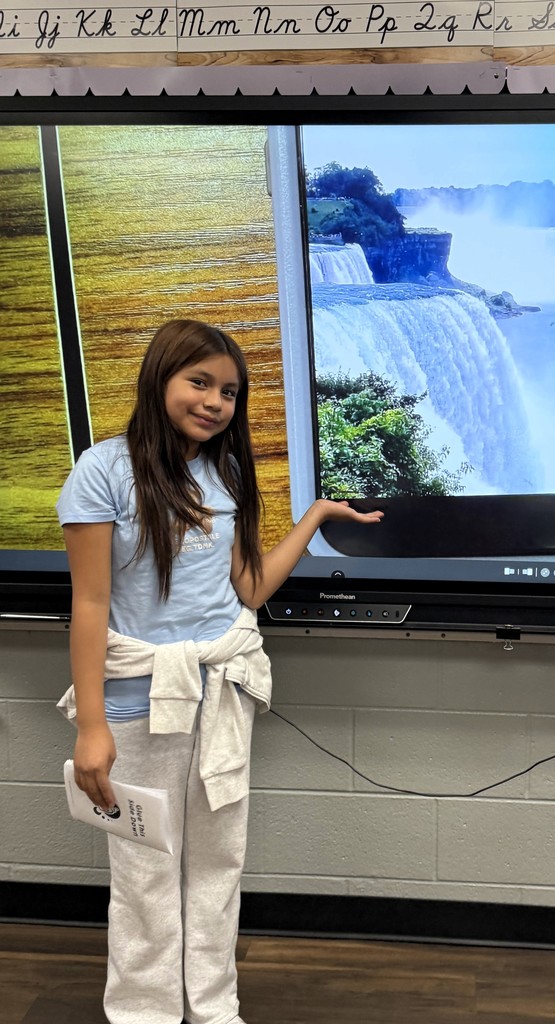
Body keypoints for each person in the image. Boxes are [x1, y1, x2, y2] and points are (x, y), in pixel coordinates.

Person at [55, 319, 382, 1024]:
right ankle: (144, 1011)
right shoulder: (102, 470)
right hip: (137, 699)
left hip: (220, 693)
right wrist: (90, 726)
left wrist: (317, 517)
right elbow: (89, 604)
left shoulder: (224, 471)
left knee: (217, 863)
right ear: (160, 378)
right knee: (142, 868)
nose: (214, 402)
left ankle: (212, 1005)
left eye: (228, 391)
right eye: (199, 382)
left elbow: (249, 589)